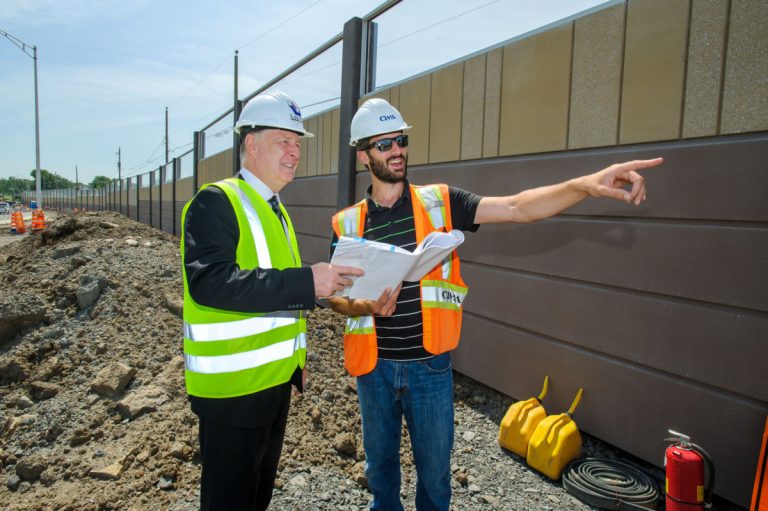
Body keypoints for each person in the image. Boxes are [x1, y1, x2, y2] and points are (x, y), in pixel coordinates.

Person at [329, 98, 663, 511]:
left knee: (434, 481)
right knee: (381, 478)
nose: (397, 150)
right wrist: (364, 306)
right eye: (385, 145)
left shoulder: (439, 202)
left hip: (429, 369)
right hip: (374, 371)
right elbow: (337, 300)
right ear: (363, 155)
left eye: (401, 140)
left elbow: (518, 207)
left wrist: (585, 184)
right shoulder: (347, 225)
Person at [181, 90, 368, 511]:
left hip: (271, 387)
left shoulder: (275, 209)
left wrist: (329, 286)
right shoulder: (217, 201)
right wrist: (307, 281)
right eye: (284, 140)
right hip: (232, 392)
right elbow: (210, 283)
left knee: (255, 499)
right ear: (250, 143)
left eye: (298, 143)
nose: (294, 151)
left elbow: (275, 289)